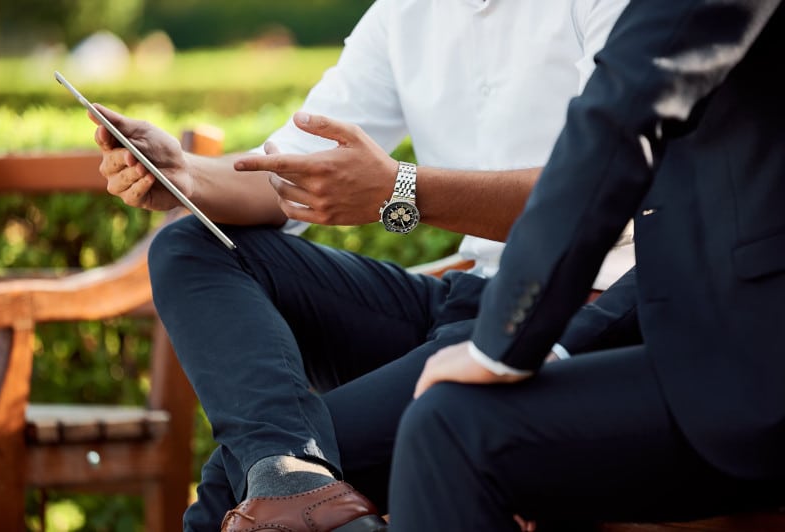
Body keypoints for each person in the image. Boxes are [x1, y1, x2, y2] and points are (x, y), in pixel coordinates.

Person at [92, 1, 632, 530]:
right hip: (465, 298)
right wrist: (184, 174)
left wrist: (402, 190)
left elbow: (600, 192)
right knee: (191, 246)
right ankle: (292, 476)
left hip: (577, 312)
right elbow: (288, 171)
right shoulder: (403, 13)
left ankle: (289, 479)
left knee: (230, 490)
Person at [385, 0, 785, 530]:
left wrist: (503, 343)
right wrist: (556, 343)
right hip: (688, 338)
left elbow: (619, 116)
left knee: (451, 428)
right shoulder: (400, 16)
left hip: (753, 368)